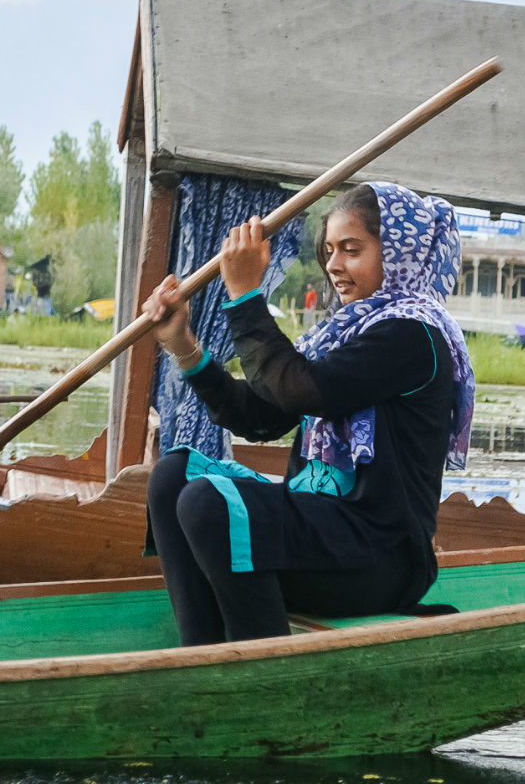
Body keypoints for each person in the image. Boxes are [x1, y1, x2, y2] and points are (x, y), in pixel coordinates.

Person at [142, 182, 474, 646]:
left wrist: (244, 297)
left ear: (400, 253)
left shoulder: (415, 337)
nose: (334, 265)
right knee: (173, 475)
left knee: (207, 503)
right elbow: (260, 418)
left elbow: (302, 391)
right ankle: (202, 651)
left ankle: (265, 665)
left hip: (378, 557)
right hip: (323, 534)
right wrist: (182, 344)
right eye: (331, 250)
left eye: (352, 250)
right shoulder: (343, 334)